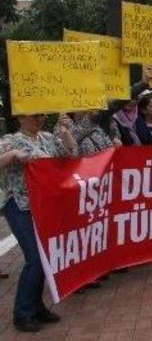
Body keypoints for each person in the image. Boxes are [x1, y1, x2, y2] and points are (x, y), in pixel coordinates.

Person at [0, 113, 77, 332]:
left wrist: (65, 132)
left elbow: (70, 155)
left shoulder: (46, 138)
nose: (39, 119)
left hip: (42, 205)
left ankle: (36, 307)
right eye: (34, 115)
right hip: (19, 205)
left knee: (44, 256)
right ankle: (22, 313)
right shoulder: (9, 140)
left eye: (41, 115)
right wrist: (13, 155)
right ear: (21, 117)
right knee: (34, 258)